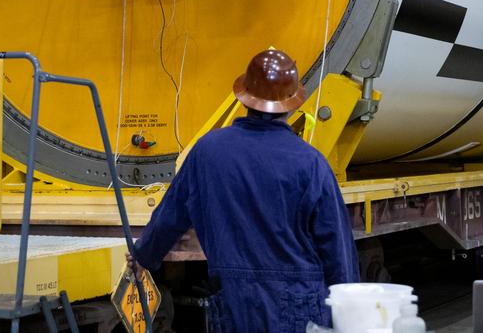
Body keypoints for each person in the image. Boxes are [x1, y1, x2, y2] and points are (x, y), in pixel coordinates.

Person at [129, 48, 358, 332]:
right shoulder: (311, 163)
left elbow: (170, 215)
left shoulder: (207, 152)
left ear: (244, 97)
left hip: (233, 304)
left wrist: (143, 256)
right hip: (297, 304)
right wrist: (350, 313)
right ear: (291, 104)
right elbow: (336, 247)